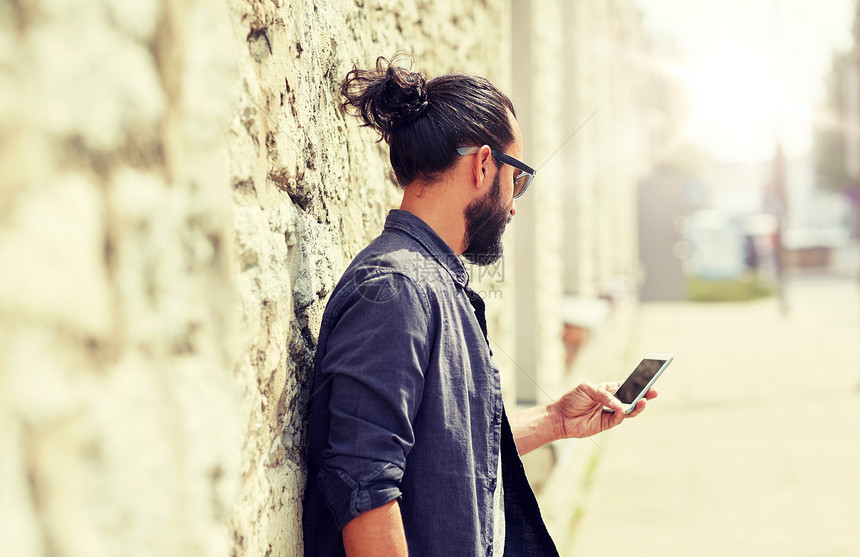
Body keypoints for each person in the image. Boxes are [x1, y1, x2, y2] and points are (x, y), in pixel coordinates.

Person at [302, 55, 657, 557]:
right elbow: (365, 492)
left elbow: (445, 445)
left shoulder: (431, 279)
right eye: (518, 180)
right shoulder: (394, 288)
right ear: (484, 164)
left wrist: (555, 420)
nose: (515, 204)